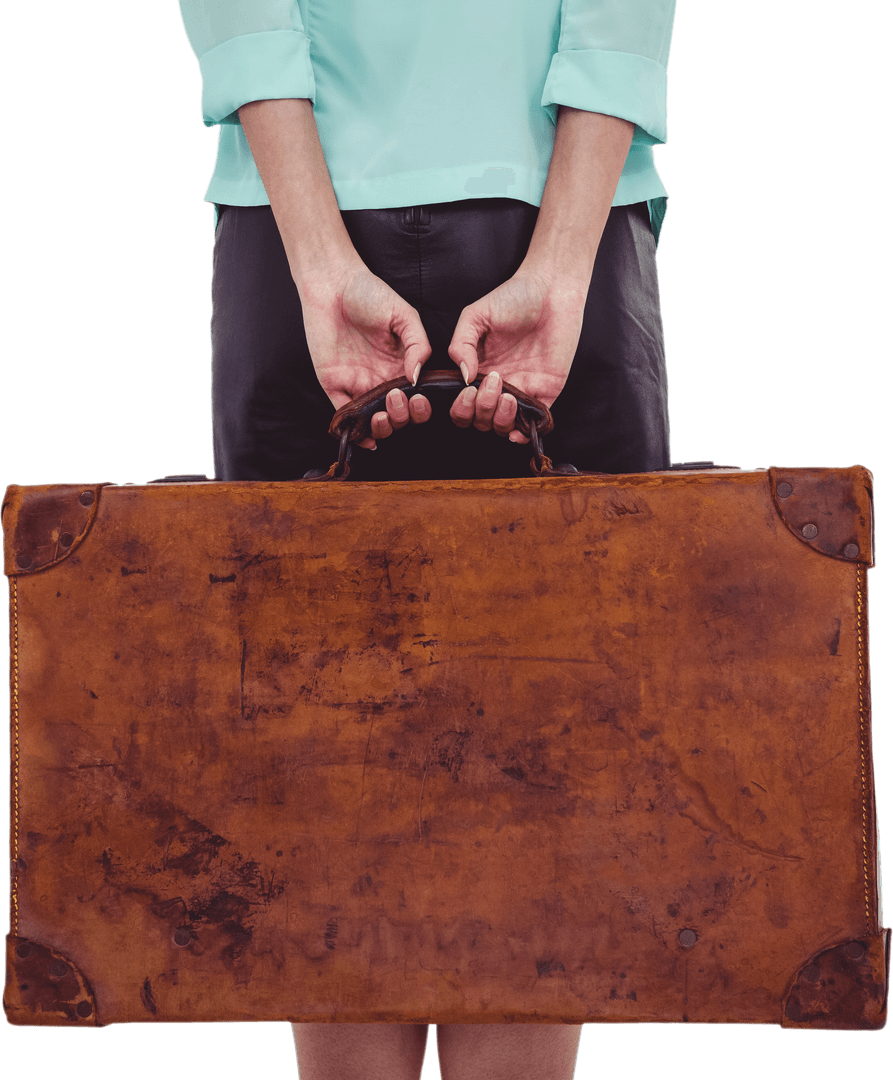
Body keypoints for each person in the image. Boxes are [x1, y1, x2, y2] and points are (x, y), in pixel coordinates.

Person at [178, 1, 676, 1076]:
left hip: (317, 213)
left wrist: (314, 253)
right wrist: (558, 255)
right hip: (535, 207)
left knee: (525, 757)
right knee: (386, 767)